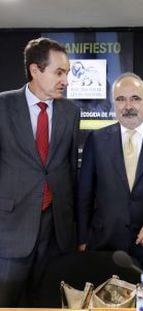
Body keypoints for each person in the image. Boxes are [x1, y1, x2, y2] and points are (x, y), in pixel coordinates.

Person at [0, 37, 80, 307]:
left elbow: (70, 170)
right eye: (59, 72)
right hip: (10, 228)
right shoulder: (2, 106)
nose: (66, 80)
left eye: (67, 73)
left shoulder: (71, 112)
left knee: (46, 302)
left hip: (56, 231)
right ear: (35, 70)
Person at [77, 72, 143, 281]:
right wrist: (82, 239)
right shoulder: (96, 140)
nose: (127, 105)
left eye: (135, 98)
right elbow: (84, 194)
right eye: (120, 99)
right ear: (114, 103)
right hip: (104, 246)